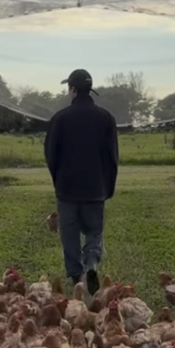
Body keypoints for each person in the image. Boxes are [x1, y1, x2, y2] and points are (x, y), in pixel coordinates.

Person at [44, 68, 118, 295]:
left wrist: (58, 180)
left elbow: (50, 155)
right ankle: (92, 264)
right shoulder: (106, 118)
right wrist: (107, 187)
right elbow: (112, 157)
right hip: (96, 189)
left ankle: (77, 276)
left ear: (73, 89)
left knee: (70, 235)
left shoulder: (60, 119)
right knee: (94, 232)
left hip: (67, 189)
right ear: (90, 90)